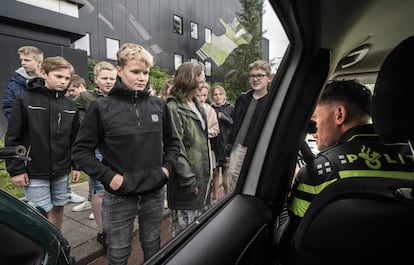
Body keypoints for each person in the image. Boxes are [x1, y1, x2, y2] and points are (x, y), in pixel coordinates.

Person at [72, 43, 180, 263]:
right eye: (135, 71)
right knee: (119, 252)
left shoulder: (159, 105)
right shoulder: (101, 107)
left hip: (154, 192)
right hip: (119, 195)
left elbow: (173, 143)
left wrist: (166, 170)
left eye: (146, 72)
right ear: (119, 70)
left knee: (153, 246)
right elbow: (81, 152)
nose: (142, 77)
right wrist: (110, 178)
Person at [282, 80, 414, 248]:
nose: (312, 132)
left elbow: (292, 240)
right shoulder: (411, 155)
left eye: (314, 121)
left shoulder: (319, 172)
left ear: (339, 114)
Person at [5, 56, 81, 231]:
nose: (63, 81)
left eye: (67, 78)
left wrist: (77, 165)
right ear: (43, 73)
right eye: (58, 76)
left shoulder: (70, 105)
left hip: (61, 170)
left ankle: (57, 240)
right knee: (40, 212)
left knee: (59, 206)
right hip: (34, 170)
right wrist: (17, 169)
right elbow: (13, 136)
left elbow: (75, 138)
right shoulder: (25, 99)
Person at [71, 61, 117, 247]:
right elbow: (69, 110)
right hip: (96, 151)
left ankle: (114, 226)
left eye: (112, 78)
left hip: (116, 150)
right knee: (99, 192)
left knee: (114, 190)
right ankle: (102, 231)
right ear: (96, 79)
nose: (108, 82)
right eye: (104, 78)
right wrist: (82, 122)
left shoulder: (120, 96)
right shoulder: (85, 96)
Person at [166, 61, 210, 237]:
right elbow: (175, 149)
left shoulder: (197, 104)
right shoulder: (173, 107)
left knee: (198, 233)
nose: (203, 85)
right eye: (201, 80)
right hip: (186, 184)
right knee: (184, 237)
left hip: (200, 177)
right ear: (189, 80)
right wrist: (189, 181)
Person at [226, 60, 273, 191]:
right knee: (233, 179)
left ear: (269, 78)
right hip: (240, 147)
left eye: (259, 75)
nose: (255, 79)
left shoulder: (273, 101)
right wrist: (229, 147)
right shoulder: (243, 99)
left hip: (261, 149)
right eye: (252, 76)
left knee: (256, 182)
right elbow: (234, 124)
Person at [2, 46, 43, 120]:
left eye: (27, 60)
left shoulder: (49, 81)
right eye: (22, 60)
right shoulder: (14, 84)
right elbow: (8, 107)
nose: (23, 63)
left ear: (39, 62)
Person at [197, 82, 220, 204]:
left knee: (209, 174)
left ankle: (207, 200)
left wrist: (206, 133)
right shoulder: (191, 108)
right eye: (199, 94)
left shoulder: (210, 110)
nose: (202, 98)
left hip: (207, 147)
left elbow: (216, 129)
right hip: (194, 148)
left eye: (204, 95)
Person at [210, 85, 234, 200]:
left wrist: (223, 117)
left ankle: (226, 196)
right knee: (215, 172)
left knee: (226, 172)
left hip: (226, 145)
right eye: (215, 94)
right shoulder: (210, 108)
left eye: (220, 94)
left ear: (224, 95)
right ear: (212, 96)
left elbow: (234, 124)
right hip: (214, 145)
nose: (218, 96)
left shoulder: (230, 108)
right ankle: (214, 197)